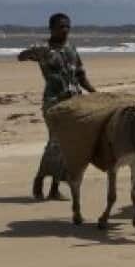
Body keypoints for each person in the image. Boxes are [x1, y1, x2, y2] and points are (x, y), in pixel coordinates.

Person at [18, 13, 96, 200]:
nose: (65, 30)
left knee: (67, 144)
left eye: (68, 26)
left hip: (74, 102)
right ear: (51, 29)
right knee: (55, 141)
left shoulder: (71, 48)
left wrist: (94, 92)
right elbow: (20, 56)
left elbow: (80, 74)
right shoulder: (45, 49)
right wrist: (32, 53)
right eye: (61, 26)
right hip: (53, 102)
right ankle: (39, 179)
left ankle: (54, 189)